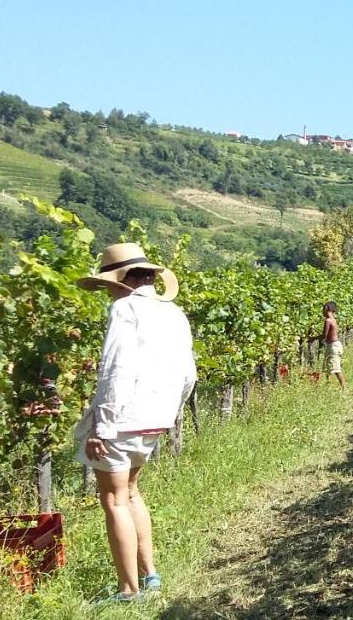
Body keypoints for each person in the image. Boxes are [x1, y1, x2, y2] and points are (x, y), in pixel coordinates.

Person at [74, 243, 196, 604]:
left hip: (122, 419)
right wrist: (170, 411)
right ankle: (150, 575)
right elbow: (189, 374)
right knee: (131, 493)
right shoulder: (173, 313)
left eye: (108, 282)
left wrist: (102, 427)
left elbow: (116, 369)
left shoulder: (124, 309)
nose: (108, 290)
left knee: (113, 499)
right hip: (156, 418)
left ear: (121, 281)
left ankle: (129, 590)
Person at [322, 301, 345, 389]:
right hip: (335, 345)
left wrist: (313, 338)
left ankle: (343, 388)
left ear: (327, 309)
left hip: (332, 346)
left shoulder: (328, 320)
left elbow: (324, 335)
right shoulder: (333, 320)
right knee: (329, 366)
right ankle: (328, 385)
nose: (322, 311)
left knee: (335, 368)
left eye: (323, 309)